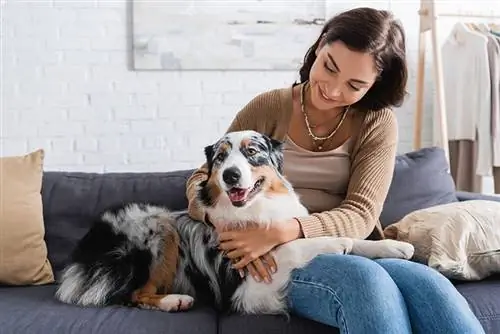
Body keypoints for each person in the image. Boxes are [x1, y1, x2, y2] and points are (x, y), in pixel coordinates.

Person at [185, 7, 485, 334]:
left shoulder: (377, 123)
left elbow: (362, 213)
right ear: (319, 45)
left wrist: (284, 229)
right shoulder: (269, 106)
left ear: (375, 86)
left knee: (432, 287)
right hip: (285, 257)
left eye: (354, 85)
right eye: (329, 67)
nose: (332, 89)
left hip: (349, 243)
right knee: (365, 284)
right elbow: (202, 178)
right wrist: (223, 223)